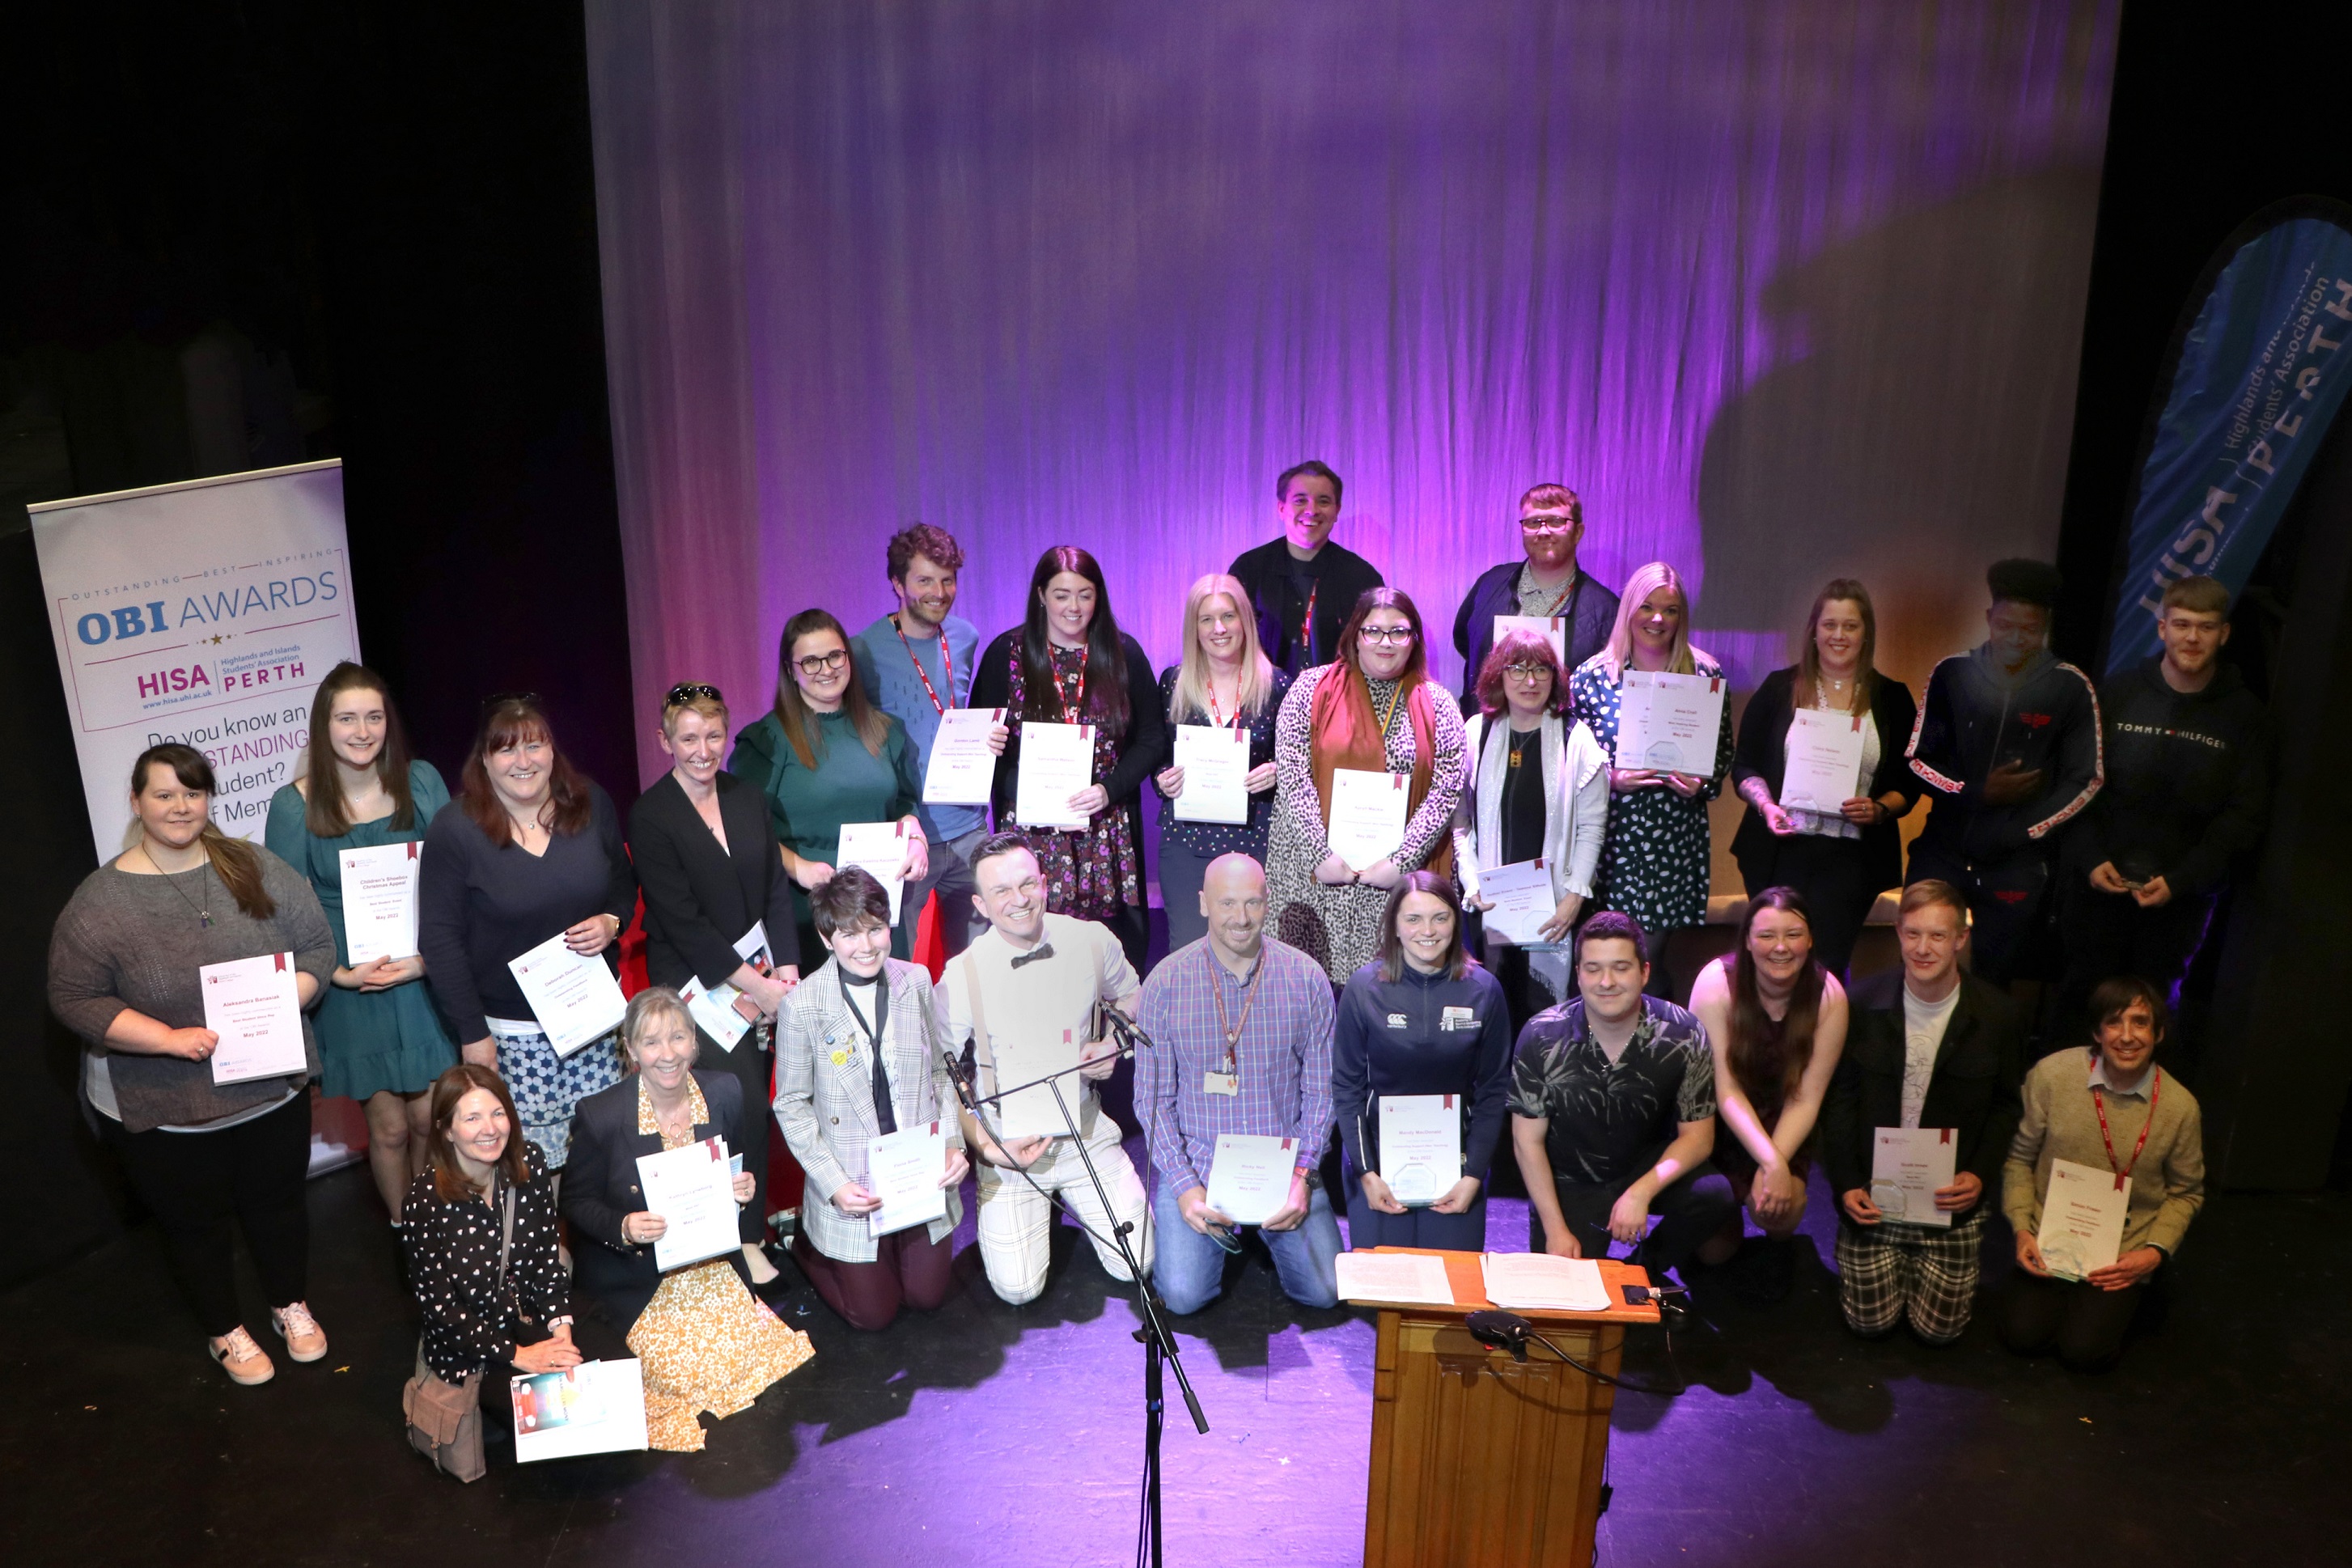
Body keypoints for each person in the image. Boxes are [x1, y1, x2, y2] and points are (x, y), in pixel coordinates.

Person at [48, 744, 337, 1386]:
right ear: (135, 801)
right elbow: (72, 996)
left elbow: (316, 944)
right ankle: (225, 1332)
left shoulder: (252, 865)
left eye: (193, 793)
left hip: (269, 1089)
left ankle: (290, 1304)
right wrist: (165, 1039)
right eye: (164, 794)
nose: (181, 806)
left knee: (278, 1206)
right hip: (165, 1104)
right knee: (194, 1227)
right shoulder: (100, 902)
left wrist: (278, 1004)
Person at [561, 988, 815, 1451]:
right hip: (641, 1278)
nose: (668, 1054)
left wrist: (741, 1189)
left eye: (678, 1038)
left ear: (695, 1042)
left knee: (735, 1359)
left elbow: (733, 1161)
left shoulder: (724, 1091)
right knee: (683, 1375)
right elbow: (575, 1202)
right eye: (652, 1042)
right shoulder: (600, 1116)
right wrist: (624, 1227)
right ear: (632, 1049)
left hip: (710, 1263)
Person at [265, 662, 457, 1224]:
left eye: (373, 716)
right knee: (391, 1127)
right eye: (347, 718)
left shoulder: (420, 780)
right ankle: (405, 1230)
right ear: (324, 726)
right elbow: (280, 910)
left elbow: (453, 877)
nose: (362, 730)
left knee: (428, 1121)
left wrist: (429, 960)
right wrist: (335, 973)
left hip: (421, 976)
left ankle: (430, 1225)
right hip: (352, 985)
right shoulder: (293, 804)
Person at [629, 680, 803, 1287]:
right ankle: (741, 1235)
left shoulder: (748, 796)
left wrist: (784, 970)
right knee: (741, 1102)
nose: (702, 750)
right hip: (697, 987)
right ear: (664, 741)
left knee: (781, 1099)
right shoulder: (650, 816)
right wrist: (755, 986)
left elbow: (775, 891)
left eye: (712, 736)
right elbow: (682, 923)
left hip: (761, 977)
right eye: (687, 738)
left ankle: (760, 1222)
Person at [417, 695, 637, 1172]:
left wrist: (612, 922)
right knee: (530, 1165)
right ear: (484, 759)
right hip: (512, 1038)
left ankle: (606, 1243)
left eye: (534, 746)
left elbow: (622, 881)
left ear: (552, 751)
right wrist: (473, 1035)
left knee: (608, 1154)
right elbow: (439, 941)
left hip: (595, 1024)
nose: (523, 761)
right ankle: (543, 1249)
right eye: (506, 750)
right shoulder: (455, 829)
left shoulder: (590, 802)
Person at [937, 833, 1154, 1306]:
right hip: (1009, 1143)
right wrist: (986, 1146)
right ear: (979, 903)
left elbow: (1135, 1002)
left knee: (1138, 1263)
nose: (1019, 901)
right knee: (1018, 1291)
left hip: (1085, 1128)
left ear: (1044, 882)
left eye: (1027, 885)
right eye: (1001, 892)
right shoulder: (963, 973)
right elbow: (942, 1074)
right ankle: (1031, 1210)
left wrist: (1111, 1045)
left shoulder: (1091, 941)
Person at [2057, 574, 2269, 1045]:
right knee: (2081, 1007)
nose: (2193, 638)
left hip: (2180, 900)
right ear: (2162, 629)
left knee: (2151, 1020)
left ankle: (2138, 1119)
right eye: (2182, 624)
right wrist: (2090, 860)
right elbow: (2076, 785)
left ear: (2225, 634)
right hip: (2098, 890)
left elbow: (2244, 818)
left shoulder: (2247, 717)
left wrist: (2183, 880)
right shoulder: (2116, 694)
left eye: (2207, 627)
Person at [1820, 880, 2025, 1344]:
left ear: (1960, 938)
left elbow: (2006, 1106)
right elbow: (1840, 1101)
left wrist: (1979, 1174)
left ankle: (1919, 1269)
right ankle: (1890, 1263)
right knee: (1868, 1325)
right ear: (1897, 933)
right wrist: (1846, 1182)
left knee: (1939, 1333)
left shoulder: (1998, 1015)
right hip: (1874, 1198)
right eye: (1913, 934)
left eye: (1937, 936)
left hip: (1950, 1203)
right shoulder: (1860, 1005)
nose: (1923, 948)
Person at [1137, 854, 1339, 1314]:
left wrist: (1302, 1176)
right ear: (1203, 903)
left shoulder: (1306, 978)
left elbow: (1322, 1093)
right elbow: (1152, 1100)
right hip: (1200, 1161)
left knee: (1326, 1292)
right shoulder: (1165, 984)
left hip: (1283, 1163)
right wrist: (1186, 1188)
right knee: (1183, 1297)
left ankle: (1258, 1233)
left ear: (1268, 903)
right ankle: (1213, 1226)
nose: (1241, 918)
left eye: (1252, 903)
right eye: (1228, 903)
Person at [774, 869, 969, 1331]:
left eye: (875, 930)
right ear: (827, 939)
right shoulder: (801, 1005)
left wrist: (952, 1143)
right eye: (849, 934)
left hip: (916, 1171)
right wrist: (834, 1183)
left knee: (926, 1297)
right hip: (851, 1179)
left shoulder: (915, 981)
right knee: (873, 1316)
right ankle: (802, 1241)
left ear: (889, 926)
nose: (866, 947)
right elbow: (791, 1104)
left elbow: (941, 1072)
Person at [969, 545, 1170, 976]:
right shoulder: (1004, 655)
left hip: (1106, 831)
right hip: (1032, 833)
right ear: (1041, 595)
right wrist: (1012, 780)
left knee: (1109, 962)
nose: (1074, 607)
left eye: (1085, 594)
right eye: (1061, 594)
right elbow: (979, 748)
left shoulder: (1123, 654)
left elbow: (1153, 739)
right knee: (1035, 961)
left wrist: (1108, 790)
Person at [1905, 558, 2103, 987]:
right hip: (1942, 851)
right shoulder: (1952, 673)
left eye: (2029, 629)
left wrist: (2027, 831)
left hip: (2016, 863)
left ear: (2045, 626)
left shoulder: (2070, 687)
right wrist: (1976, 792)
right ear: (1989, 618)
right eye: (2006, 625)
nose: (2016, 638)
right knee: (1920, 967)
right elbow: (1919, 760)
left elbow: (2086, 779)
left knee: (1996, 981)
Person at [1508, 912, 1735, 1278]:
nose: (1607, 982)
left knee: (1713, 1194)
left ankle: (1643, 1273)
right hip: (1571, 1177)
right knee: (1565, 1290)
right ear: (1578, 974)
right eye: (1593, 969)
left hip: (1641, 1163)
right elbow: (1526, 1142)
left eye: (1621, 968)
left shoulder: (1683, 1032)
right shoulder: (1541, 1036)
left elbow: (1698, 1139)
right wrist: (1555, 1229)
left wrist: (1642, 1191)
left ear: (1644, 972)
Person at [2001, 977, 2204, 1373]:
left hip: (2120, 1250)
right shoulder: (2052, 1076)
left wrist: (2152, 1254)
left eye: (2140, 1023)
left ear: (2159, 1033)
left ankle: (2137, 1297)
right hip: (2050, 1236)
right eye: (2114, 1022)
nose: (2127, 1036)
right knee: (2021, 1336)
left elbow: (2186, 1193)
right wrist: (2022, 1228)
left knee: (2083, 1352)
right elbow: (2019, 1160)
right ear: (2097, 1032)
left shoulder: (2181, 1108)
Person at [1265, 587, 1467, 984]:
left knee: (1383, 999)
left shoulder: (1440, 704)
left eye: (1399, 632)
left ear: (1415, 640)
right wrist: (1320, 855)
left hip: (1395, 882)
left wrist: (1401, 863)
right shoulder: (1310, 688)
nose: (1385, 643)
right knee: (1307, 995)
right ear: (1355, 635)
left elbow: (1445, 791)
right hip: (1315, 875)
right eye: (1373, 631)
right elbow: (1292, 774)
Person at [402, 1064, 608, 1444]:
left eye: (498, 1114)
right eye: (473, 1118)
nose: (491, 1128)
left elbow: (548, 1263)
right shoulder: (424, 1202)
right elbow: (443, 1315)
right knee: (558, 1419)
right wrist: (522, 1356)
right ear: (447, 1130)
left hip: (529, 1318)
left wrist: (560, 1337)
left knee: (613, 1379)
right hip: (477, 1349)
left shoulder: (529, 1163)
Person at [1729, 580, 1922, 978]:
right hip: (1780, 850)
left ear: (1866, 633)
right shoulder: (1779, 688)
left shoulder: (1892, 698)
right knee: (1774, 964)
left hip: (1851, 861)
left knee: (1827, 969)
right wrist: (1766, 806)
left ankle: (1819, 1039)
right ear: (1813, 630)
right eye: (1830, 624)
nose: (1839, 635)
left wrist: (1881, 808)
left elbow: (1910, 783)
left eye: (1850, 626)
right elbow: (1744, 765)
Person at [732, 608, 929, 964]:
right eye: (810, 661)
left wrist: (916, 839)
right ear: (791, 671)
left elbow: (904, 803)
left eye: (835, 656)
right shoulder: (766, 742)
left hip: (876, 912)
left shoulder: (885, 730)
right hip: (807, 914)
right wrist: (799, 868)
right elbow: (743, 833)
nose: (826, 669)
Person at [1331, 873, 1515, 1252]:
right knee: (1384, 1289)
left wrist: (1473, 1175)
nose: (1427, 931)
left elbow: (1494, 1090)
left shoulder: (1484, 990)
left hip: (1456, 1165)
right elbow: (1347, 1087)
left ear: (1456, 922)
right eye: (1413, 919)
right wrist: (1366, 1172)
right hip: (1378, 1162)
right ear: (1394, 926)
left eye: (1440, 917)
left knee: (1449, 1289)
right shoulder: (1363, 989)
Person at [1570, 563, 1735, 981]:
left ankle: (1657, 1042)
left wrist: (1701, 782)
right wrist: (1610, 779)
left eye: (1671, 610)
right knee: (1607, 958)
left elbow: (1722, 754)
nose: (1658, 619)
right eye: (1647, 607)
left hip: (1673, 840)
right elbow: (1565, 764)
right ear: (1629, 609)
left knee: (1650, 964)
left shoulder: (1705, 674)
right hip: (1610, 839)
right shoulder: (1590, 678)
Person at [1687, 888, 1849, 1301]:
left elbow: (1807, 1098)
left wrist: (1778, 1163)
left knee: (1778, 1214)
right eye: (1766, 936)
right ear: (1746, 939)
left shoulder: (1829, 994)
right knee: (1713, 1252)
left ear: (1810, 939)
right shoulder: (1715, 983)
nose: (1780, 947)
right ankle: (1723, 1221)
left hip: (1785, 1123)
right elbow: (1723, 1090)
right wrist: (1769, 1161)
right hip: (1722, 1124)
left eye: (1793, 935)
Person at [850, 523, 1002, 957]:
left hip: (970, 828)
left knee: (978, 963)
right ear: (897, 584)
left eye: (947, 579)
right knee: (894, 961)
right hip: (907, 835)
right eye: (924, 580)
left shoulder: (966, 637)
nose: (939, 591)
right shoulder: (863, 651)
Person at [1453, 628, 1608, 1034]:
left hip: (1554, 910)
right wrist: (1471, 885)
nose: (1530, 680)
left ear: (1554, 677)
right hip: (1488, 908)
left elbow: (1591, 829)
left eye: (1541, 669)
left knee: (1545, 1018)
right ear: (1497, 676)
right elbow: (1459, 826)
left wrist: (1573, 900)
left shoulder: (1578, 740)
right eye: (1517, 669)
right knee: (1492, 1014)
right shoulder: (1476, 734)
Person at [1152, 573, 1292, 956]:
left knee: (1252, 951)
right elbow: (1158, 755)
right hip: (1187, 840)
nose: (1219, 629)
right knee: (1189, 952)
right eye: (1206, 619)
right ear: (1193, 628)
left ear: (1245, 621)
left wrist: (1280, 772)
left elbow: (1300, 763)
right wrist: (1162, 780)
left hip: (1257, 836)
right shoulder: (1173, 683)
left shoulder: (1277, 685)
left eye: (1228, 617)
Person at [1450, 482, 1621, 717]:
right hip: (1487, 733)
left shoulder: (1606, 610)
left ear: (1578, 532)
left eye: (1556, 522)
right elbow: (1465, 642)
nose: (1543, 531)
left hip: (1564, 743)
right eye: (1533, 522)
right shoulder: (1489, 585)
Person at [1228, 460, 1385, 676]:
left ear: (1337, 510)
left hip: (1339, 701)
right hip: (1263, 701)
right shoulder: (1249, 570)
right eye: (1300, 500)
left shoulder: (1362, 578)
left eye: (1323, 501)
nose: (1311, 510)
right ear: (1281, 508)